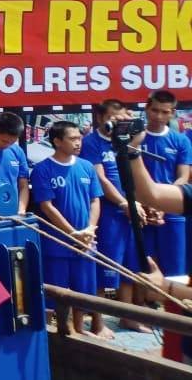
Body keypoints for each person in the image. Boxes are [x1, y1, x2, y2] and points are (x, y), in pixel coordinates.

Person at [79, 100, 148, 332]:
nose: (119, 123)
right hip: (111, 215)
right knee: (107, 268)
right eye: (114, 118)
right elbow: (101, 179)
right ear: (101, 118)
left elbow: (138, 176)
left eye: (122, 118)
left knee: (130, 267)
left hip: (132, 211)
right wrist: (123, 202)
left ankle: (127, 316)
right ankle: (98, 323)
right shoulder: (91, 142)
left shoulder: (127, 142)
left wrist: (140, 204)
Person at [29, 120, 102, 336]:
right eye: (73, 139)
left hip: (86, 242)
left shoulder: (86, 167)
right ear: (57, 141)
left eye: (79, 138)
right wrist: (72, 233)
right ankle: (56, 333)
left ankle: (79, 330)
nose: (78, 142)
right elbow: (47, 206)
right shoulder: (43, 169)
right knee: (56, 292)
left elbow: (95, 201)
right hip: (58, 243)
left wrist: (89, 229)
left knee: (84, 290)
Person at [140, 90, 191, 275]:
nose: (159, 116)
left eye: (165, 112)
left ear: (173, 112)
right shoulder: (135, 138)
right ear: (146, 108)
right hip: (141, 212)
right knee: (144, 265)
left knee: (176, 268)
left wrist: (161, 204)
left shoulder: (180, 140)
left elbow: (183, 176)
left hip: (172, 211)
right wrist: (147, 204)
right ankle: (147, 304)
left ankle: (176, 304)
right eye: (155, 110)